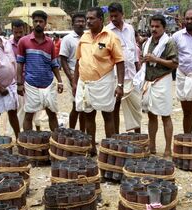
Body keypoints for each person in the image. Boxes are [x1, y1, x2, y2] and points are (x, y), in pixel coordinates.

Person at [73, 7, 125, 155]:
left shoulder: (111, 37)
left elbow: (120, 62)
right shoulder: (84, 37)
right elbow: (78, 61)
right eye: (87, 18)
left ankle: (109, 149)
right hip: (85, 83)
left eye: (91, 18)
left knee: (108, 115)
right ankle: (92, 148)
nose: (88, 21)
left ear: (101, 20)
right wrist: (75, 82)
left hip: (104, 82)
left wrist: (120, 85)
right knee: (89, 115)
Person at [136, 14, 178, 157]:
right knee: (151, 115)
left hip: (162, 80)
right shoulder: (147, 43)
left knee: (165, 115)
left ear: (163, 27)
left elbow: (174, 64)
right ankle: (152, 146)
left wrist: (156, 59)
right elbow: (143, 60)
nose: (154, 29)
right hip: (149, 81)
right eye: (152, 26)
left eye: (157, 26)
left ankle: (167, 149)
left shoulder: (169, 43)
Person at [16, 11, 64, 132]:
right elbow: (20, 64)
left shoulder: (50, 43)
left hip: (48, 83)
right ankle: (29, 145)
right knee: (29, 115)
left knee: (52, 113)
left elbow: (54, 63)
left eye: (41, 21)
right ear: (32, 23)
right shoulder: (24, 41)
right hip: (31, 83)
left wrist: (60, 81)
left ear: (45, 23)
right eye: (36, 21)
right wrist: (19, 83)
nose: (38, 23)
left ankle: (55, 142)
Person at [107, 2, 142, 133]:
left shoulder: (130, 29)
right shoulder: (107, 32)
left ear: (123, 14)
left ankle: (138, 137)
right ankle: (116, 136)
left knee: (136, 107)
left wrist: (138, 71)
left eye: (116, 16)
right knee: (114, 107)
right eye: (111, 16)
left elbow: (134, 52)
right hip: (115, 76)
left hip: (132, 75)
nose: (114, 19)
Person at [60, 13, 87, 131]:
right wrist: (71, 78)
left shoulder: (88, 37)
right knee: (76, 106)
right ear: (73, 24)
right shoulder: (67, 39)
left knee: (85, 108)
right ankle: (71, 131)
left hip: (87, 76)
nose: (81, 24)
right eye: (78, 21)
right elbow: (63, 59)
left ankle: (82, 133)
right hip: (73, 75)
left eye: (82, 21)